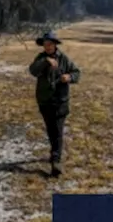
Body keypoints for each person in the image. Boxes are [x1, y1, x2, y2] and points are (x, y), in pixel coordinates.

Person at [28, 30, 81, 177]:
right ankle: (54, 152)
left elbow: (77, 73)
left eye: (50, 44)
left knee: (57, 130)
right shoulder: (40, 58)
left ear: (55, 45)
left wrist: (69, 77)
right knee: (51, 129)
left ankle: (56, 161)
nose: (48, 47)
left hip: (60, 102)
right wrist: (45, 62)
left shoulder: (64, 59)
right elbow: (32, 70)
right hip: (44, 101)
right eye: (45, 44)